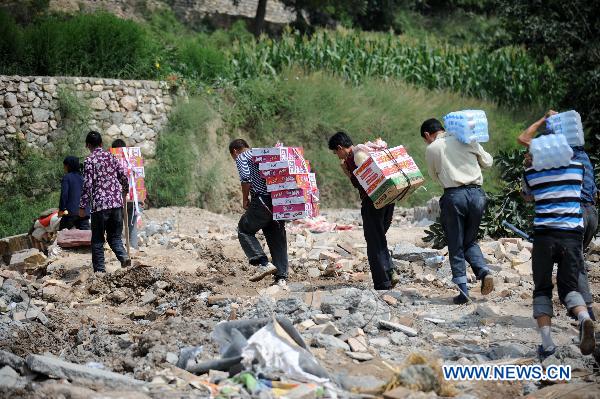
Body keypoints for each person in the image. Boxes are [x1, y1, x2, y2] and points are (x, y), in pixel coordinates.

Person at [518, 110, 597, 321]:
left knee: (573, 270)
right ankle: (584, 313)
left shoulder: (560, 156)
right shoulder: (583, 156)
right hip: (592, 214)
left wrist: (543, 118)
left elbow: (523, 138)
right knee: (575, 264)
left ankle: (587, 315)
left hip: (571, 214)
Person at [521, 149, 595, 359]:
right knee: (570, 288)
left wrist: (530, 165)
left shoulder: (532, 172)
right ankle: (583, 318)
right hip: (572, 237)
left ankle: (547, 345)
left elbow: (527, 196)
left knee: (542, 289)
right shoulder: (577, 169)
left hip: (545, 237)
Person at [421, 118, 494, 304]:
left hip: (454, 197)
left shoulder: (433, 148)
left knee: (456, 244)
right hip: (478, 195)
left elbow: (433, 175)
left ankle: (464, 293)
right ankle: (483, 271)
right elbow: (488, 162)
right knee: (469, 240)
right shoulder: (467, 138)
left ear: (427, 135)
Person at [327, 131, 398, 290]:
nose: (337, 156)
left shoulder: (353, 158)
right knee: (379, 237)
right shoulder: (367, 150)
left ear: (340, 148)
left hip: (372, 203)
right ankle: (390, 271)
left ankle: (383, 282)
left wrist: (346, 171)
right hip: (388, 199)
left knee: (373, 241)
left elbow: (361, 183)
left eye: (336, 152)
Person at [229, 138, 289, 288]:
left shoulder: (242, 157)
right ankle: (281, 278)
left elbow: (246, 179)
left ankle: (263, 263)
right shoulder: (260, 154)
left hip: (261, 201)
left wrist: (244, 199)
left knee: (244, 229)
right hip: (278, 200)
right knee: (276, 236)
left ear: (235, 151)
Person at [79, 131, 130, 273]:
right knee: (115, 237)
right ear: (101, 144)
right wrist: (125, 190)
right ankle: (124, 257)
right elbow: (123, 175)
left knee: (97, 241)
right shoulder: (111, 156)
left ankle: (100, 272)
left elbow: (87, 185)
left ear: (88, 145)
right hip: (116, 204)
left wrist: (82, 206)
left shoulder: (89, 161)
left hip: (99, 206)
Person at [111, 139, 142, 250]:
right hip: (134, 198)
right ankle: (133, 248)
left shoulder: (112, 160)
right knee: (132, 225)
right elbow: (139, 178)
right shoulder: (133, 159)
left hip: (119, 198)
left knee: (117, 225)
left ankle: (119, 250)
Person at [58, 156, 90, 230]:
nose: (64, 168)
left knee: (63, 234)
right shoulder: (83, 177)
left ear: (68, 166)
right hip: (84, 213)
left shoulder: (67, 177)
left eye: (64, 166)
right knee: (85, 236)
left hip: (70, 213)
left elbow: (64, 195)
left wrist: (61, 210)